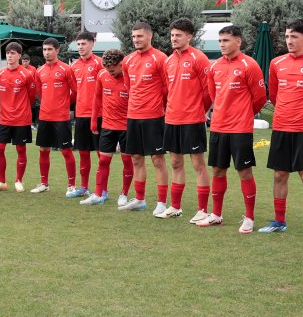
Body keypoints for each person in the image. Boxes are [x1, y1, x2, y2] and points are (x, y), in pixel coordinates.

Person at [258, 20, 303, 239]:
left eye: (294, 37)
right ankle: (279, 221)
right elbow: (273, 94)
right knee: (279, 174)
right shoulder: (276, 63)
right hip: (281, 128)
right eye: (287, 36)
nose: (289, 41)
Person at [197, 25, 266, 232]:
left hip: (240, 128)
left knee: (244, 171)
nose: (222, 45)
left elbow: (260, 98)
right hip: (218, 127)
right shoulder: (215, 66)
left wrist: (243, 114)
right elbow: (213, 95)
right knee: (218, 170)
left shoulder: (250, 65)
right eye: (220, 41)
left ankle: (250, 218)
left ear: (238, 41)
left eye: (226, 40)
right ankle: (216, 215)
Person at [160, 18, 212, 222]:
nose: (174, 38)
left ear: (189, 37)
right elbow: (167, 91)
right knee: (175, 163)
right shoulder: (168, 61)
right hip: (172, 119)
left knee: (198, 164)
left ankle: (202, 210)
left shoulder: (199, 58)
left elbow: (209, 91)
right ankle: (176, 207)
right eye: (172, 35)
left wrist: (200, 110)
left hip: (193, 119)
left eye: (178, 35)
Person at [119, 23, 170, 213]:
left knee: (157, 159)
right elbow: (128, 87)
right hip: (133, 115)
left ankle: (161, 202)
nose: (136, 40)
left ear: (150, 36)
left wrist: (156, 105)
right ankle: (140, 199)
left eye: (140, 36)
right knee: (136, 158)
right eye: (133, 37)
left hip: (154, 116)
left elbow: (167, 89)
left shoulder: (160, 58)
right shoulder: (128, 60)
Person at [81, 49, 131, 205]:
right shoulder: (102, 75)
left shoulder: (130, 77)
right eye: (108, 69)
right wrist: (94, 120)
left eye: (113, 69)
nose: (111, 72)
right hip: (108, 125)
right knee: (103, 160)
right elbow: (97, 98)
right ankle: (98, 194)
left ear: (121, 64)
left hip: (126, 126)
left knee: (127, 161)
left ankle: (124, 193)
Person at [0, 42, 37, 192]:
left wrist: (21, 108)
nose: (9, 55)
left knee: (21, 149)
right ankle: (1, 181)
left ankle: (18, 180)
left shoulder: (27, 74)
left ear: (19, 56)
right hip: (5, 119)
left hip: (21, 119)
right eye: (8, 53)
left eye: (13, 53)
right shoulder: (0, 74)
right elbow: (1, 95)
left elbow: (31, 97)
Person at [31, 38, 76, 195]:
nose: (46, 52)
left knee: (66, 150)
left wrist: (63, 104)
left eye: (50, 49)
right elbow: (40, 93)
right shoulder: (39, 71)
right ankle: (44, 183)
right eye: (44, 49)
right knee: (44, 150)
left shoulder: (66, 69)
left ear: (57, 50)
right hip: (44, 117)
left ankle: (71, 185)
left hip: (61, 117)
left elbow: (75, 91)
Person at [68, 32, 103, 198]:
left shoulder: (99, 63)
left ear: (92, 44)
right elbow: (73, 93)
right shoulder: (73, 67)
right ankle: (84, 187)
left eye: (84, 44)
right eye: (79, 44)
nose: (81, 47)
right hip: (81, 115)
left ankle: (101, 189)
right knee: (83, 152)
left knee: (101, 154)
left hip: (99, 115)